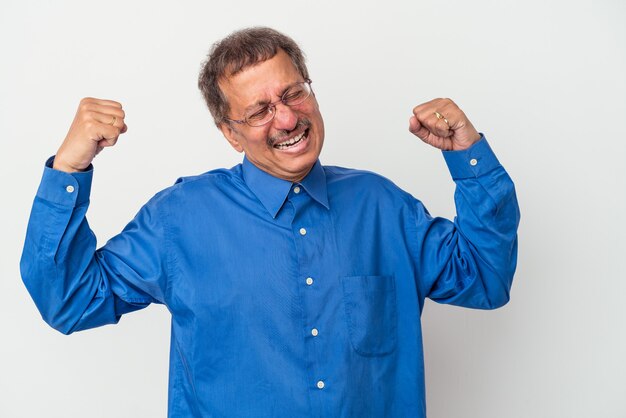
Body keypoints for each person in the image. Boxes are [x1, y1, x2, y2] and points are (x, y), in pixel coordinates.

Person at [21, 27, 520, 417]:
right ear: (230, 134)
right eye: (259, 110)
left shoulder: (381, 205)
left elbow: (486, 279)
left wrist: (468, 157)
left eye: (293, 94)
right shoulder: (180, 219)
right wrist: (69, 168)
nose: (285, 119)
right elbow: (69, 303)